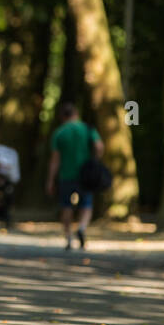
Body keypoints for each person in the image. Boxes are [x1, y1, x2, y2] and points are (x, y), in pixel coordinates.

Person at [46, 102, 102, 249]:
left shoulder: (59, 133)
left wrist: (51, 180)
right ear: (76, 114)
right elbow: (99, 146)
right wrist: (95, 160)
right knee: (87, 205)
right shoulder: (87, 129)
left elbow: (55, 159)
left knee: (66, 206)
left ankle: (69, 237)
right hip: (86, 174)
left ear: (62, 117)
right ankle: (82, 228)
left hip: (66, 175)